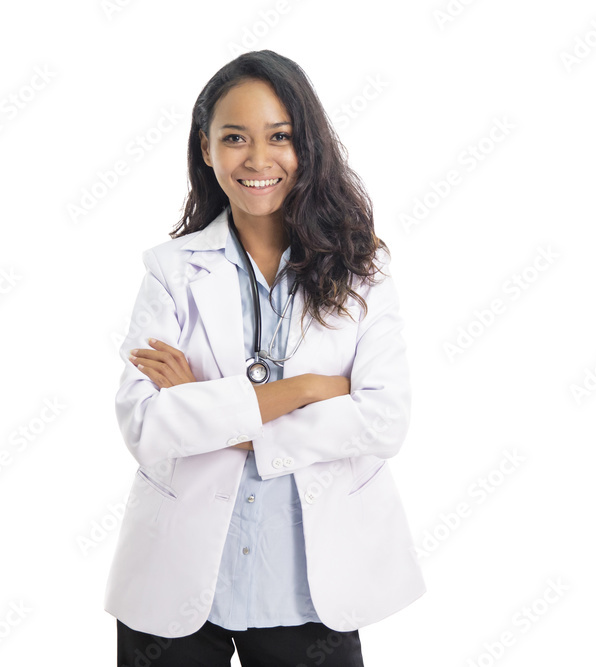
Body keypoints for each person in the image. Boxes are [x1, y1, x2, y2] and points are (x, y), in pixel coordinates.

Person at [104, 50, 425, 666]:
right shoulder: (171, 272)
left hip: (308, 588)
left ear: (307, 145)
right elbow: (145, 427)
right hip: (175, 580)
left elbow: (384, 422)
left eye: (279, 136)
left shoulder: (363, 271)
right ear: (206, 149)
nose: (257, 159)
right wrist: (306, 389)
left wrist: (205, 405)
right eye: (234, 138)